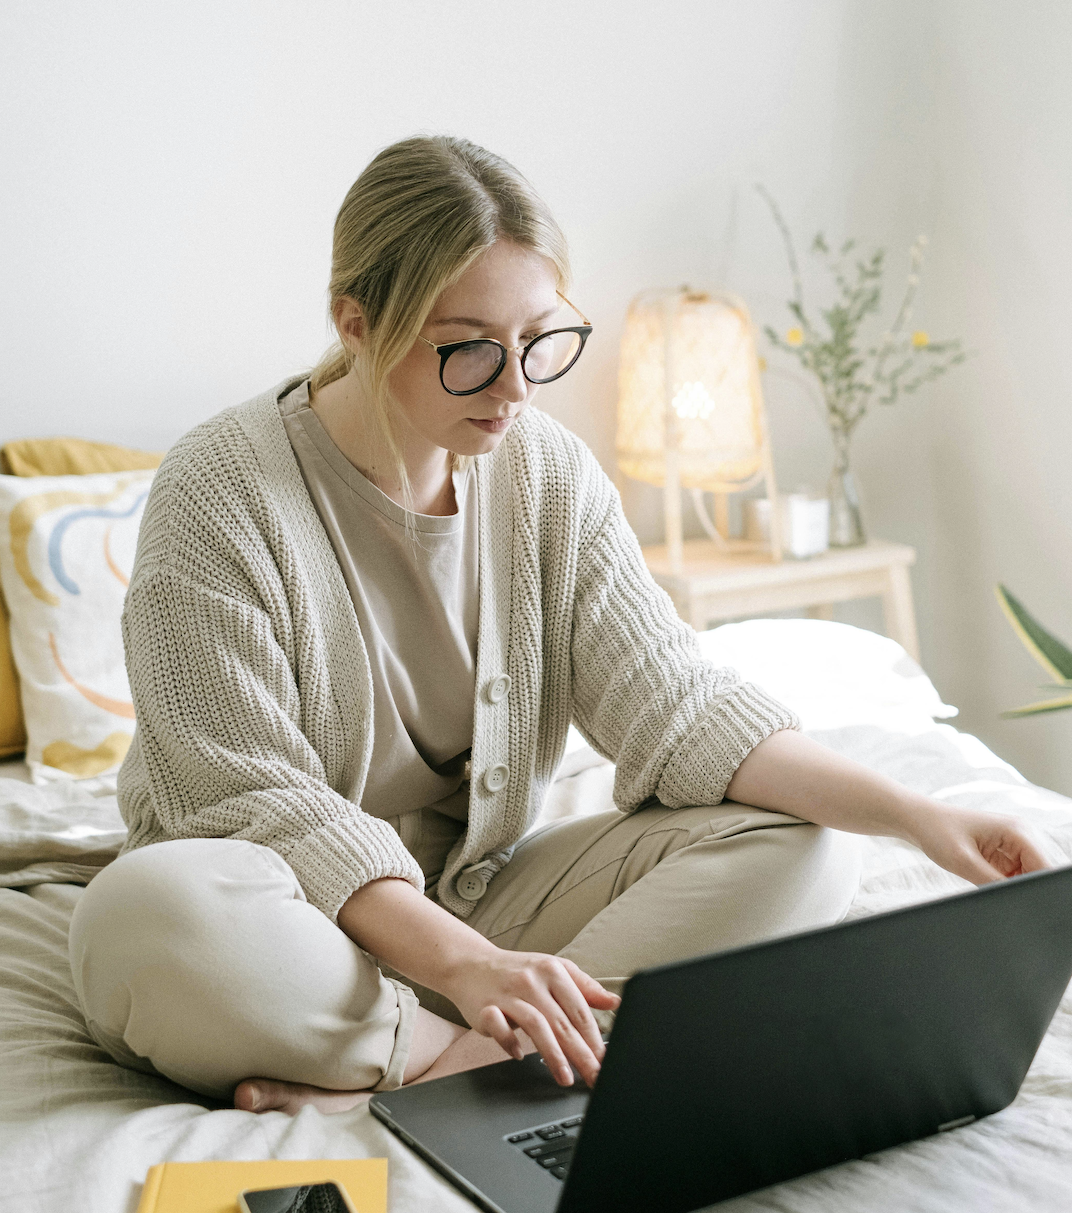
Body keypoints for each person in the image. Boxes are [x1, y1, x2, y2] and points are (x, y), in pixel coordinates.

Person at [69, 136, 1049, 1117]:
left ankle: (443, 1072)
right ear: (355, 323)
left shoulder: (547, 471)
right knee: (141, 919)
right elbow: (253, 801)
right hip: (289, 923)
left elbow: (676, 699)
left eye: (538, 339)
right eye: (467, 349)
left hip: (481, 898)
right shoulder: (217, 491)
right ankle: (480, 1047)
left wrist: (919, 814)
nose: (516, 387)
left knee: (812, 839)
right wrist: (472, 967)